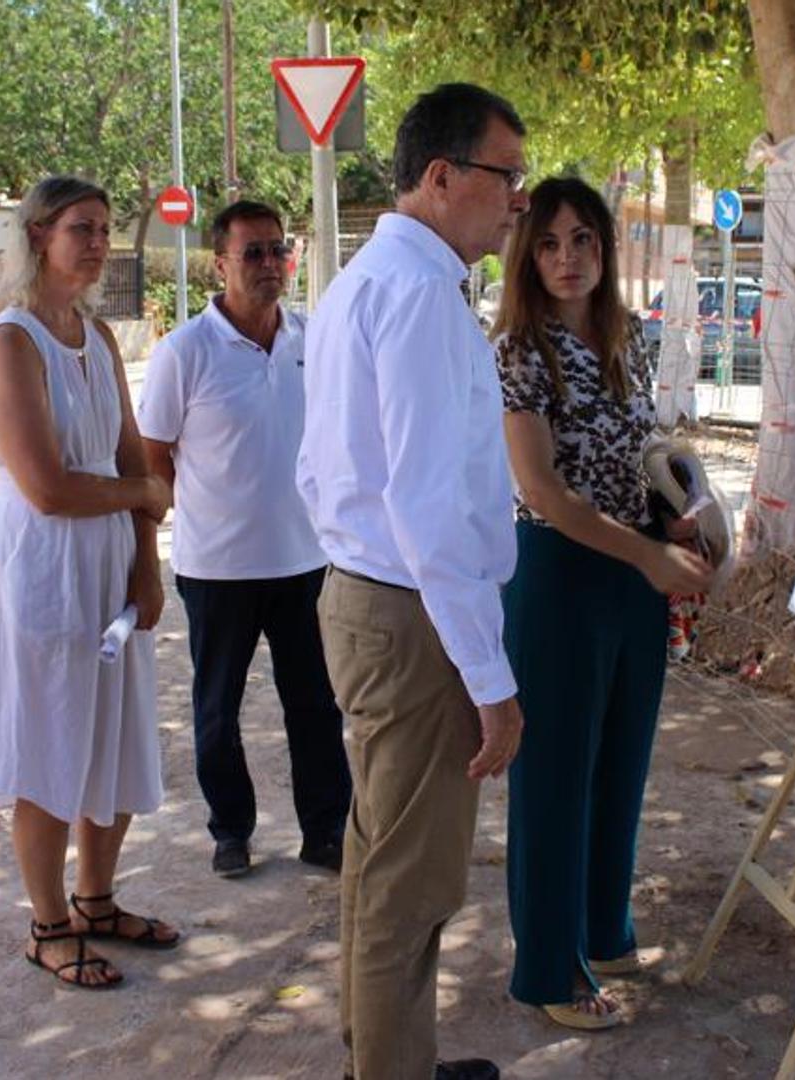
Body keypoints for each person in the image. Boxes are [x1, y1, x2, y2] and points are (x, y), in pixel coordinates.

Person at [298, 82, 529, 1080]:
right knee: (410, 880)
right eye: (502, 176)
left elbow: (333, 469)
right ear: (441, 177)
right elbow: (428, 510)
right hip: (410, 614)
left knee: (379, 855)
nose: (515, 200)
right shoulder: (417, 294)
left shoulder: (371, 280)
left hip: (370, 600)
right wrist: (490, 681)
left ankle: (382, 1055)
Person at [0, 176, 180, 990]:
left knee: (111, 737)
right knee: (48, 742)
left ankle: (97, 899)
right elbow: (46, 486)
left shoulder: (97, 338)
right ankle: (46, 923)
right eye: (82, 227)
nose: (98, 241)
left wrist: (146, 564)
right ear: (38, 234)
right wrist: (142, 496)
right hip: (41, 567)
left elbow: (125, 454)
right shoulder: (10, 343)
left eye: (106, 228)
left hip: (108, 562)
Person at [492, 178, 712, 1031]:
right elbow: (541, 490)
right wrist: (649, 556)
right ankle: (549, 969)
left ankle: (602, 928)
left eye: (582, 240)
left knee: (622, 759)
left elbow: (642, 448)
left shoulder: (630, 338)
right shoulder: (517, 348)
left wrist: (681, 518)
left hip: (634, 566)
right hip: (559, 571)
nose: (566, 259)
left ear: (606, 249)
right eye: (547, 244)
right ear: (527, 255)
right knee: (553, 778)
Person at [138, 200, 351, 879]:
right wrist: (204, 509)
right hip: (217, 568)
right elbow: (153, 455)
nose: (268, 264)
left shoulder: (312, 340)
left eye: (277, 250)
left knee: (315, 706)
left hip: (306, 561)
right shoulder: (184, 352)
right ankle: (230, 831)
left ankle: (325, 831)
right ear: (220, 262)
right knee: (217, 707)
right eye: (252, 252)